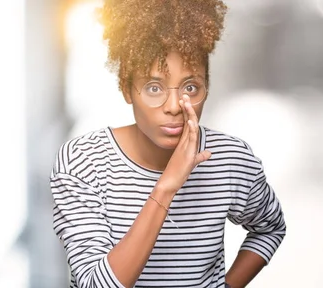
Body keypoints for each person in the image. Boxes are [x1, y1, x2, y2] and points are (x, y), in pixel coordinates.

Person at [49, 1, 286, 287]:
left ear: (207, 87)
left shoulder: (230, 158)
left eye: (190, 87)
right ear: (126, 88)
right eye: (154, 87)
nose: (174, 106)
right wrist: (166, 187)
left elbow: (270, 228)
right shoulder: (83, 161)